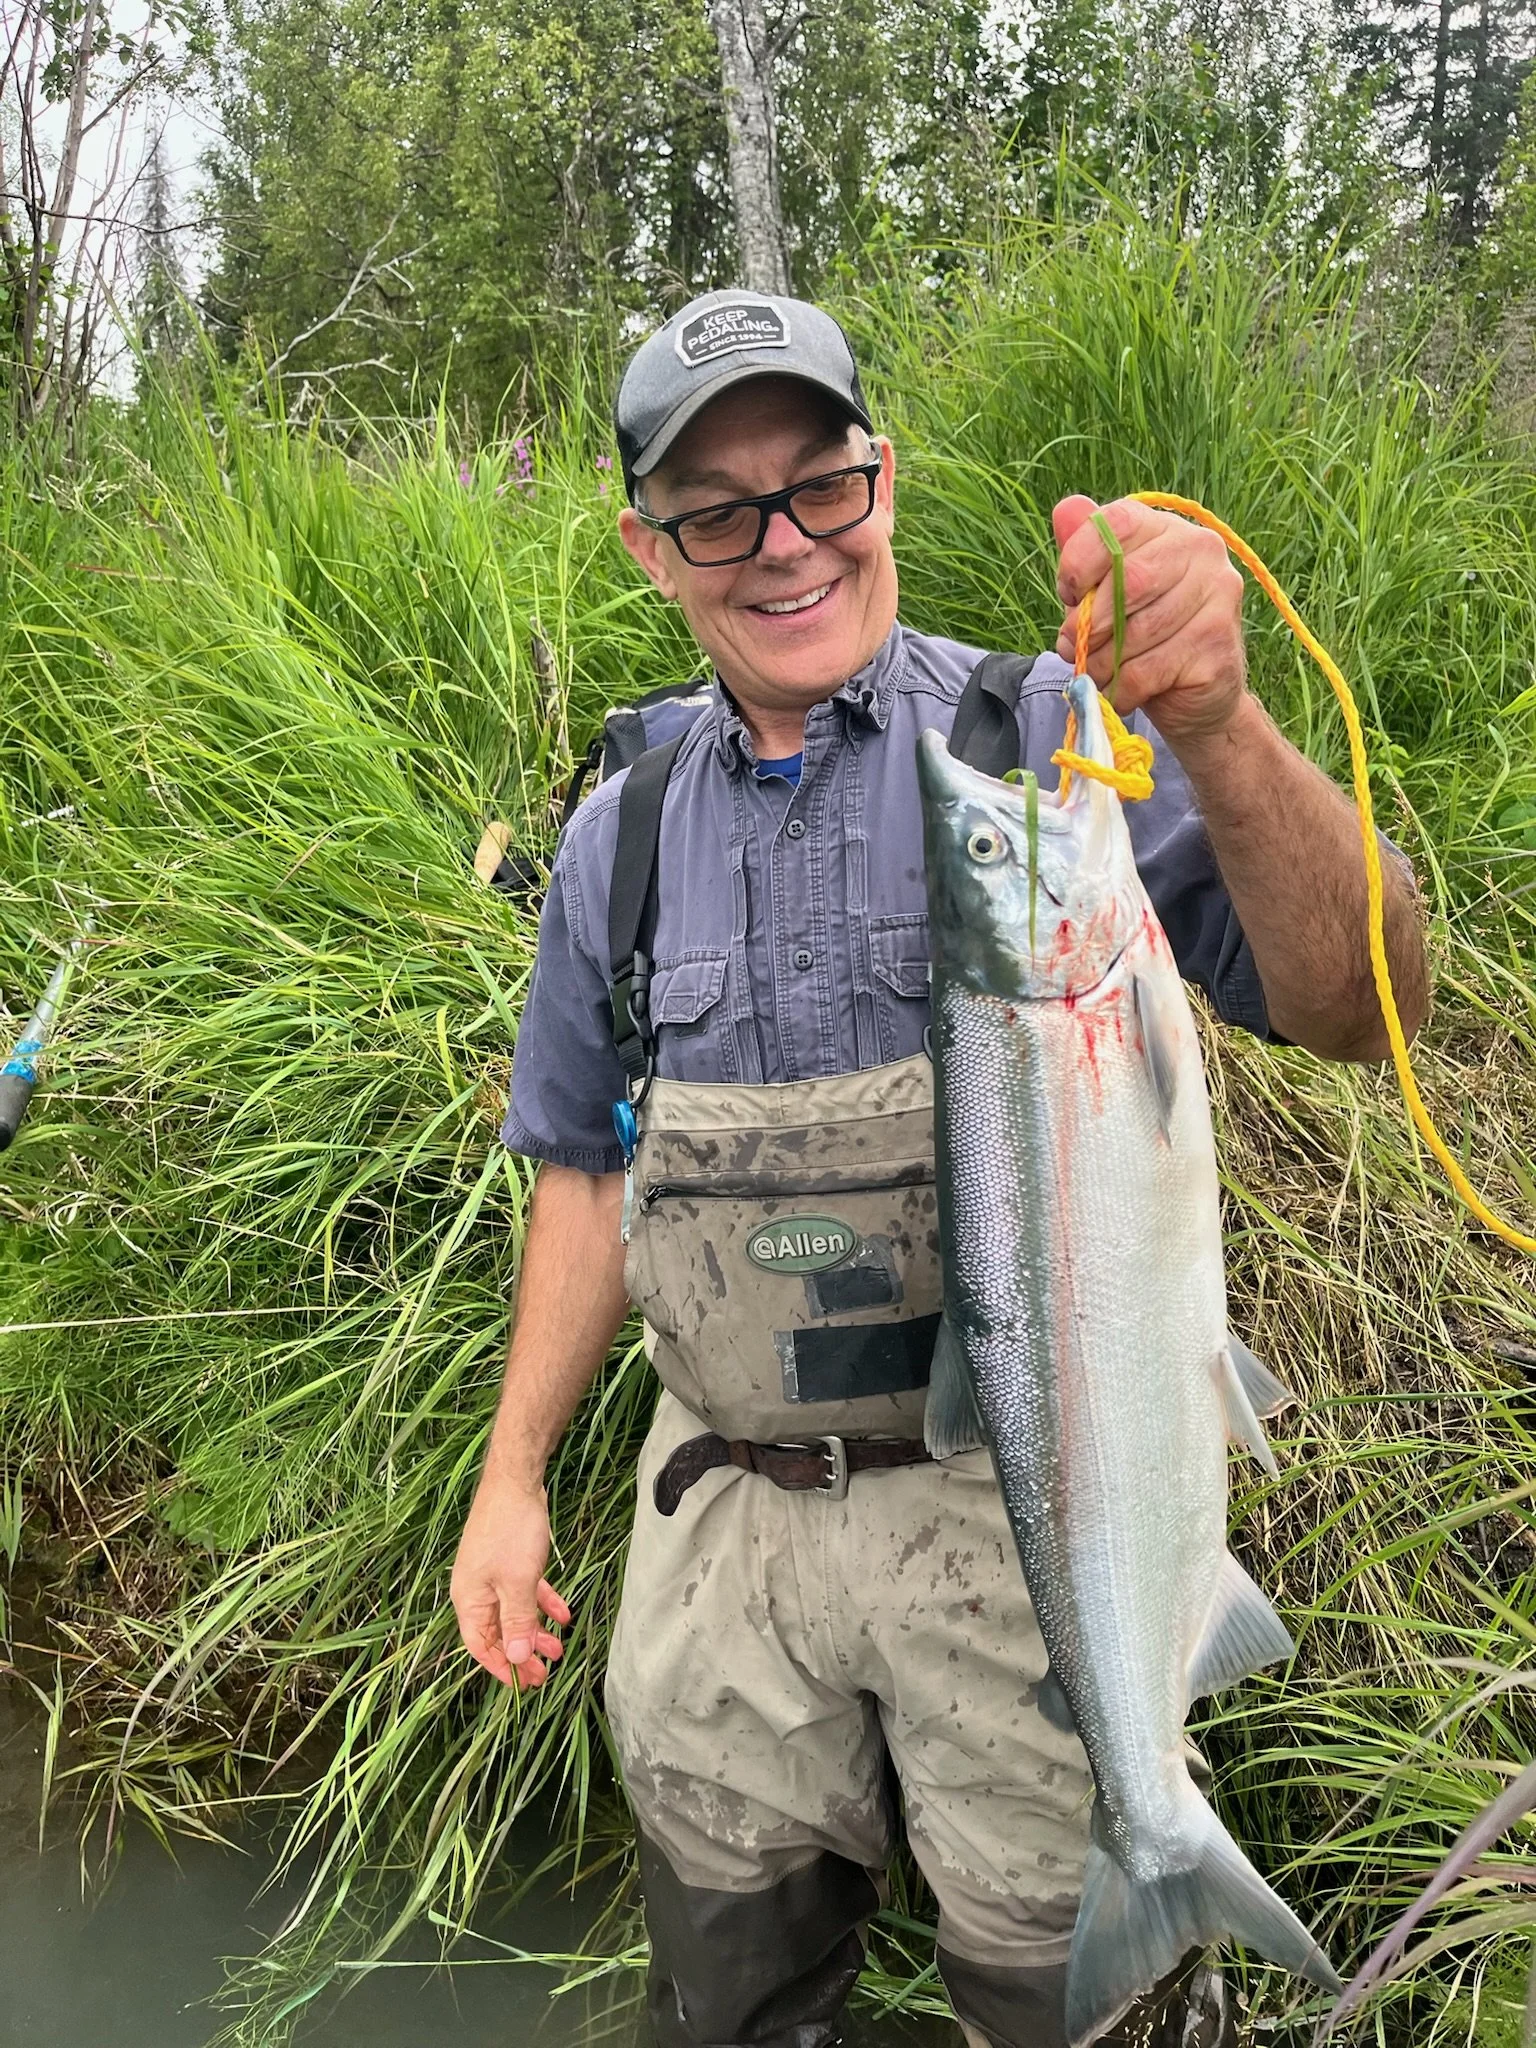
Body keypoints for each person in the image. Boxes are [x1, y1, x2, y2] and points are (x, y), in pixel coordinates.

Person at [451, 289, 1428, 2048]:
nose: (783, 546)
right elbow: (583, 1178)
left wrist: (1213, 721)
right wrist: (513, 1477)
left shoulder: (1053, 738)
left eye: (819, 482)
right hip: (720, 1529)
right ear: (650, 548)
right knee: (729, 1993)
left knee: (1067, 2002)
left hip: (1029, 1515)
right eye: (718, 510)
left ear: (879, 479)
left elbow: (1365, 1004)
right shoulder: (620, 829)